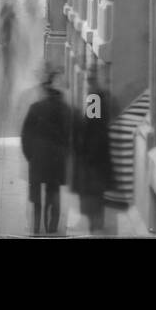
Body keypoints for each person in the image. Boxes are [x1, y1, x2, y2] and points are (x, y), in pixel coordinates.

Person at [20, 73, 70, 234]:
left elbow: (25, 136)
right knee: (54, 194)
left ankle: (36, 229)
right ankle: (52, 230)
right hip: (56, 160)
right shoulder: (65, 109)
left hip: (38, 159)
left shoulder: (35, 108)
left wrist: (30, 156)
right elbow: (70, 136)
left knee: (36, 199)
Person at [71, 64, 115, 234]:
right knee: (98, 192)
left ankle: (95, 225)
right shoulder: (101, 96)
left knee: (93, 193)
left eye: (90, 79)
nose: (89, 82)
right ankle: (97, 223)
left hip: (94, 156)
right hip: (100, 153)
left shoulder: (94, 98)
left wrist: (86, 152)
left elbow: (93, 125)